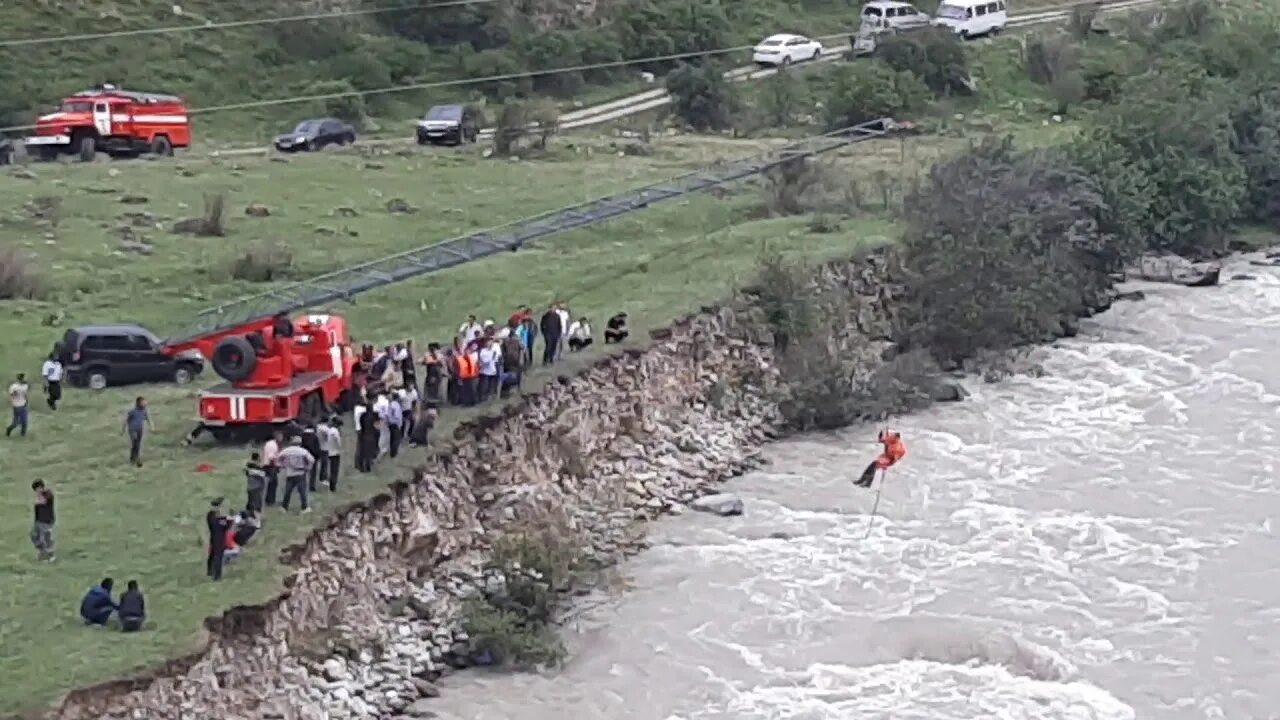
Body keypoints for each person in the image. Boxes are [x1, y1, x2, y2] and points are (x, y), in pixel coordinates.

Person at [278, 436, 315, 513]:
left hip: (290, 472)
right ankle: (304, 507)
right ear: (300, 443)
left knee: (287, 491)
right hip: (300, 473)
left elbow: (279, 457)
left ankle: (284, 507)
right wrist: (308, 468)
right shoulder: (303, 451)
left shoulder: (287, 450)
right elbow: (312, 460)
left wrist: (283, 465)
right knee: (302, 492)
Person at [206, 498, 233, 580]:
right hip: (219, 540)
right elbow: (226, 526)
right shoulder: (219, 520)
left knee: (212, 555)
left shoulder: (210, 516)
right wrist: (230, 519)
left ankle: (210, 571)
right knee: (218, 557)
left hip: (213, 538)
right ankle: (217, 576)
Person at [123, 396, 153, 467]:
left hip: (140, 430)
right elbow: (126, 420)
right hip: (132, 430)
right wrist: (123, 429)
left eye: (144, 402)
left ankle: (133, 459)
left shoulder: (144, 410)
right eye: (143, 402)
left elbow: (148, 418)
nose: (144, 403)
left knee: (137, 445)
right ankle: (137, 460)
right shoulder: (132, 411)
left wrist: (151, 426)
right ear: (138, 403)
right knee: (135, 442)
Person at [31, 480, 55, 561]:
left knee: (45, 539)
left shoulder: (48, 494)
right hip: (39, 521)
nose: (36, 491)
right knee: (34, 536)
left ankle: (50, 556)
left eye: (37, 489)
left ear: (41, 487)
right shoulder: (38, 497)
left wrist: (38, 497)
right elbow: (37, 509)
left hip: (47, 521)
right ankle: (42, 552)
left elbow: (44, 501)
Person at [321, 416, 343, 491]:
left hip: (330, 451)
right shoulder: (335, 431)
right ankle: (333, 486)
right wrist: (340, 447)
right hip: (335, 452)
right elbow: (338, 441)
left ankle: (331, 485)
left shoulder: (329, 430)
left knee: (332, 470)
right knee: (335, 470)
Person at [301, 423, 324, 492]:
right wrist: (318, 455)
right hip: (313, 456)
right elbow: (317, 447)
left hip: (304, 456)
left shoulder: (302, 436)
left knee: (303, 472)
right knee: (313, 473)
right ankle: (312, 487)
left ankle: (303, 486)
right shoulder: (314, 436)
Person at [477, 337, 501, 401]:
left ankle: (490, 396)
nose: (490, 343)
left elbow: (496, 359)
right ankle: (482, 397)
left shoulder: (494, 351)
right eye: (489, 342)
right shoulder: (483, 351)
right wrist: (492, 357)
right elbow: (484, 361)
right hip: (485, 371)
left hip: (492, 370)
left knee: (491, 385)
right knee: (485, 385)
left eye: (491, 342)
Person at [262, 431, 282, 506]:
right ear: (276, 436)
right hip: (271, 466)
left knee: (271, 484)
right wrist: (275, 467)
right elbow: (271, 457)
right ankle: (270, 501)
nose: (281, 438)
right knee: (273, 484)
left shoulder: (268, 443)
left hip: (268, 466)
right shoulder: (273, 445)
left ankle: (269, 500)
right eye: (280, 436)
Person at [6, 372, 29, 438]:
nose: (25, 379)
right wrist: (14, 394)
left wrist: (26, 401)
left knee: (23, 422)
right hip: (17, 406)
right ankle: (10, 429)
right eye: (23, 378)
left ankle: (22, 435)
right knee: (19, 422)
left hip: (23, 405)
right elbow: (11, 395)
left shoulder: (25, 386)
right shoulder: (14, 386)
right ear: (20, 379)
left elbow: (25, 394)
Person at [381, 393, 403, 459]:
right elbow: (397, 416)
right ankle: (393, 453)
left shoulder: (386, 405)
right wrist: (399, 423)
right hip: (395, 424)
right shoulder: (395, 405)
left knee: (392, 438)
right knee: (396, 439)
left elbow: (385, 415)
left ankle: (392, 452)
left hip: (390, 424)